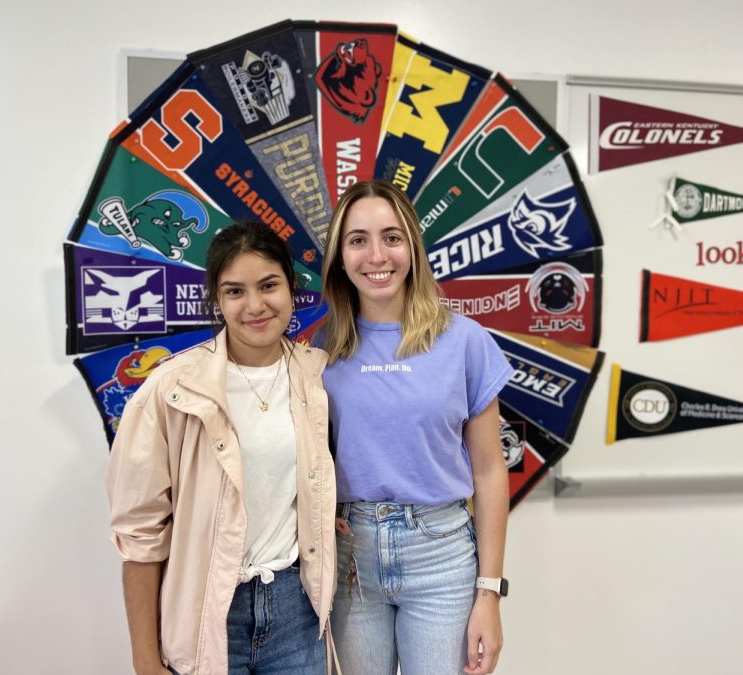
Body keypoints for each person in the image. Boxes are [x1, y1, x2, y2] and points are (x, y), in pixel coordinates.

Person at [106, 222, 337, 675]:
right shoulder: (172, 389)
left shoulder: (319, 376)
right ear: (217, 299)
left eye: (268, 285)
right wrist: (145, 659)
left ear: (292, 287)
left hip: (297, 611)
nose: (255, 305)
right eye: (235, 291)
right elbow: (139, 535)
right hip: (208, 613)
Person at [317, 180, 513, 675]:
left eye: (392, 237)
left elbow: (490, 471)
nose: (376, 255)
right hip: (349, 562)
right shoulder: (322, 350)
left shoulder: (465, 341)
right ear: (340, 256)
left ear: (413, 249)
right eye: (358, 240)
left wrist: (489, 594)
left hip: (441, 556)